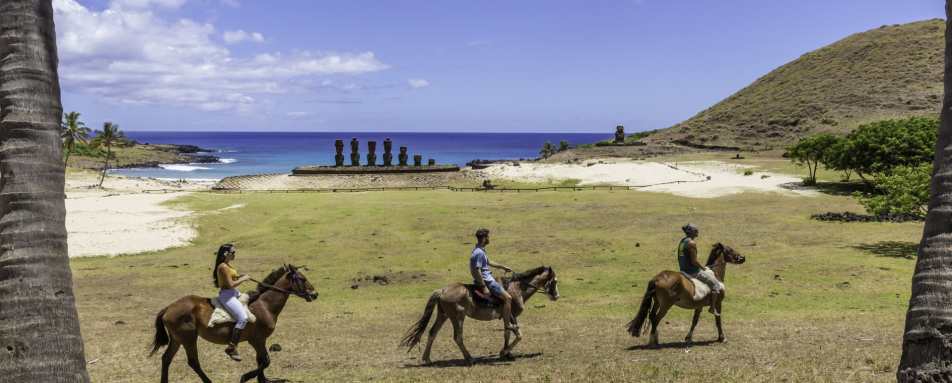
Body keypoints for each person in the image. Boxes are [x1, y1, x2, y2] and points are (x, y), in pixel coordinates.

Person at [469, 228, 516, 331]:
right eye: (488, 237)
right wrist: (484, 286)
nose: (489, 239)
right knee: (508, 298)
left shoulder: (480, 250)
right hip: (488, 281)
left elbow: (489, 262)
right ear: (484, 238)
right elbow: (476, 270)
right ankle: (507, 324)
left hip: (488, 279)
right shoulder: (479, 253)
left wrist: (503, 267)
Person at [212, 243, 251, 361]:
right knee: (243, 318)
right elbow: (230, 285)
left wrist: (239, 276)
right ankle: (232, 347)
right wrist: (243, 279)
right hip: (227, 296)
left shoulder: (227, 265)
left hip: (234, 293)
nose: (234, 254)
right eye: (232, 252)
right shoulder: (223, 267)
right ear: (226, 254)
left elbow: (231, 278)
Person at [677, 224, 722, 315]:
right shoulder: (691, 243)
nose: (697, 232)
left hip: (682, 270)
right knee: (716, 285)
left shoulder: (682, 241)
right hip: (692, 272)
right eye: (695, 230)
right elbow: (694, 261)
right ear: (691, 232)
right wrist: (703, 268)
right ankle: (712, 308)